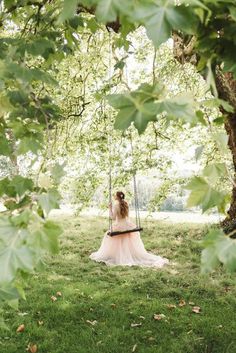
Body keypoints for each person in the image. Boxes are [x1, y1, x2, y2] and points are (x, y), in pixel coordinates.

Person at [89, 191, 169, 267]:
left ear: (117, 197)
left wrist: (110, 208)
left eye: (115, 195)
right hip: (128, 225)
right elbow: (127, 216)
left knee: (108, 235)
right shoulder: (126, 204)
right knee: (125, 238)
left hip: (119, 225)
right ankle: (126, 254)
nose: (114, 196)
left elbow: (113, 218)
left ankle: (120, 255)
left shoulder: (116, 205)